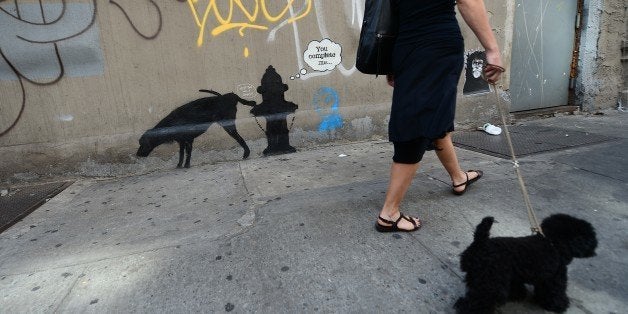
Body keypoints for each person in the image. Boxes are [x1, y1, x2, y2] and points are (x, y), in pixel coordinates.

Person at [375, 0, 504, 232]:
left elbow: (392, 11)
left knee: (435, 116)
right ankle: (389, 213)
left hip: (408, 46)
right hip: (435, 45)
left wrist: (392, 61)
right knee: (417, 124)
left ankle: (458, 177)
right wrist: (492, 49)